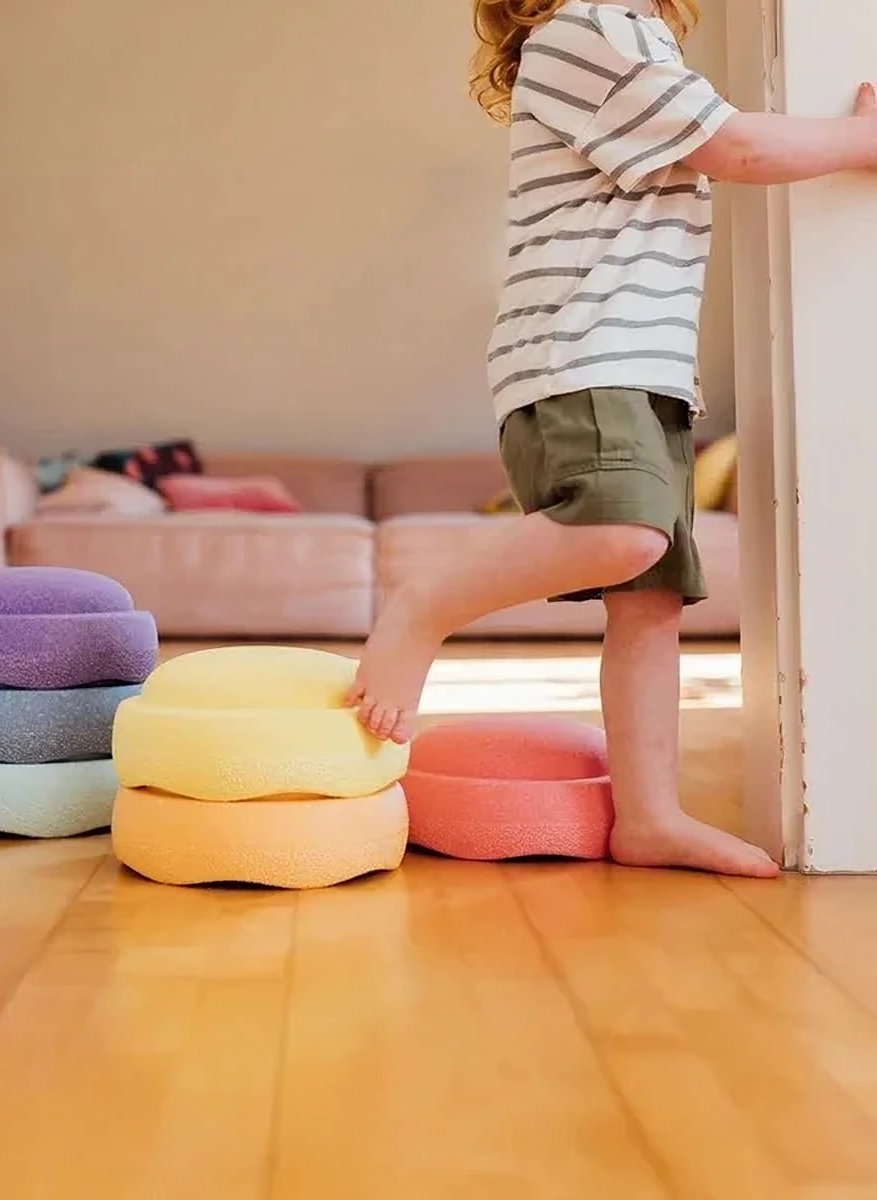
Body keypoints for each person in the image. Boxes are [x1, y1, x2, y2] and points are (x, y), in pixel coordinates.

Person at [347, 0, 877, 877]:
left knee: (649, 600)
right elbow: (737, 148)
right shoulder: (586, 29)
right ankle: (422, 607)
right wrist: (860, 143)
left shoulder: (635, 37)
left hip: (640, 366)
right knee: (622, 530)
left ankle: (649, 816)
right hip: (582, 356)